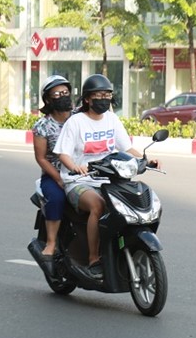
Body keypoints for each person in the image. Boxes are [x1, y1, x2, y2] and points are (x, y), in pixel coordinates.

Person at [54, 74, 158, 279]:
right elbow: (62, 153)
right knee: (98, 206)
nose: (104, 99)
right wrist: (75, 167)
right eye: (98, 95)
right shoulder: (76, 122)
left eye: (107, 95)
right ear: (87, 99)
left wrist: (146, 160)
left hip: (109, 179)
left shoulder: (111, 119)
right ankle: (94, 259)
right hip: (79, 181)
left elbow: (126, 147)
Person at [31, 75, 74, 260]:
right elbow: (41, 158)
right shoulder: (43, 125)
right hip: (55, 175)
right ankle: (51, 243)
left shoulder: (79, 117)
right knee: (56, 198)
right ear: (48, 99)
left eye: (65, 92)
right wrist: (58, 178)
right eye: (57, 94)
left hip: (84, 171)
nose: (63, 96)